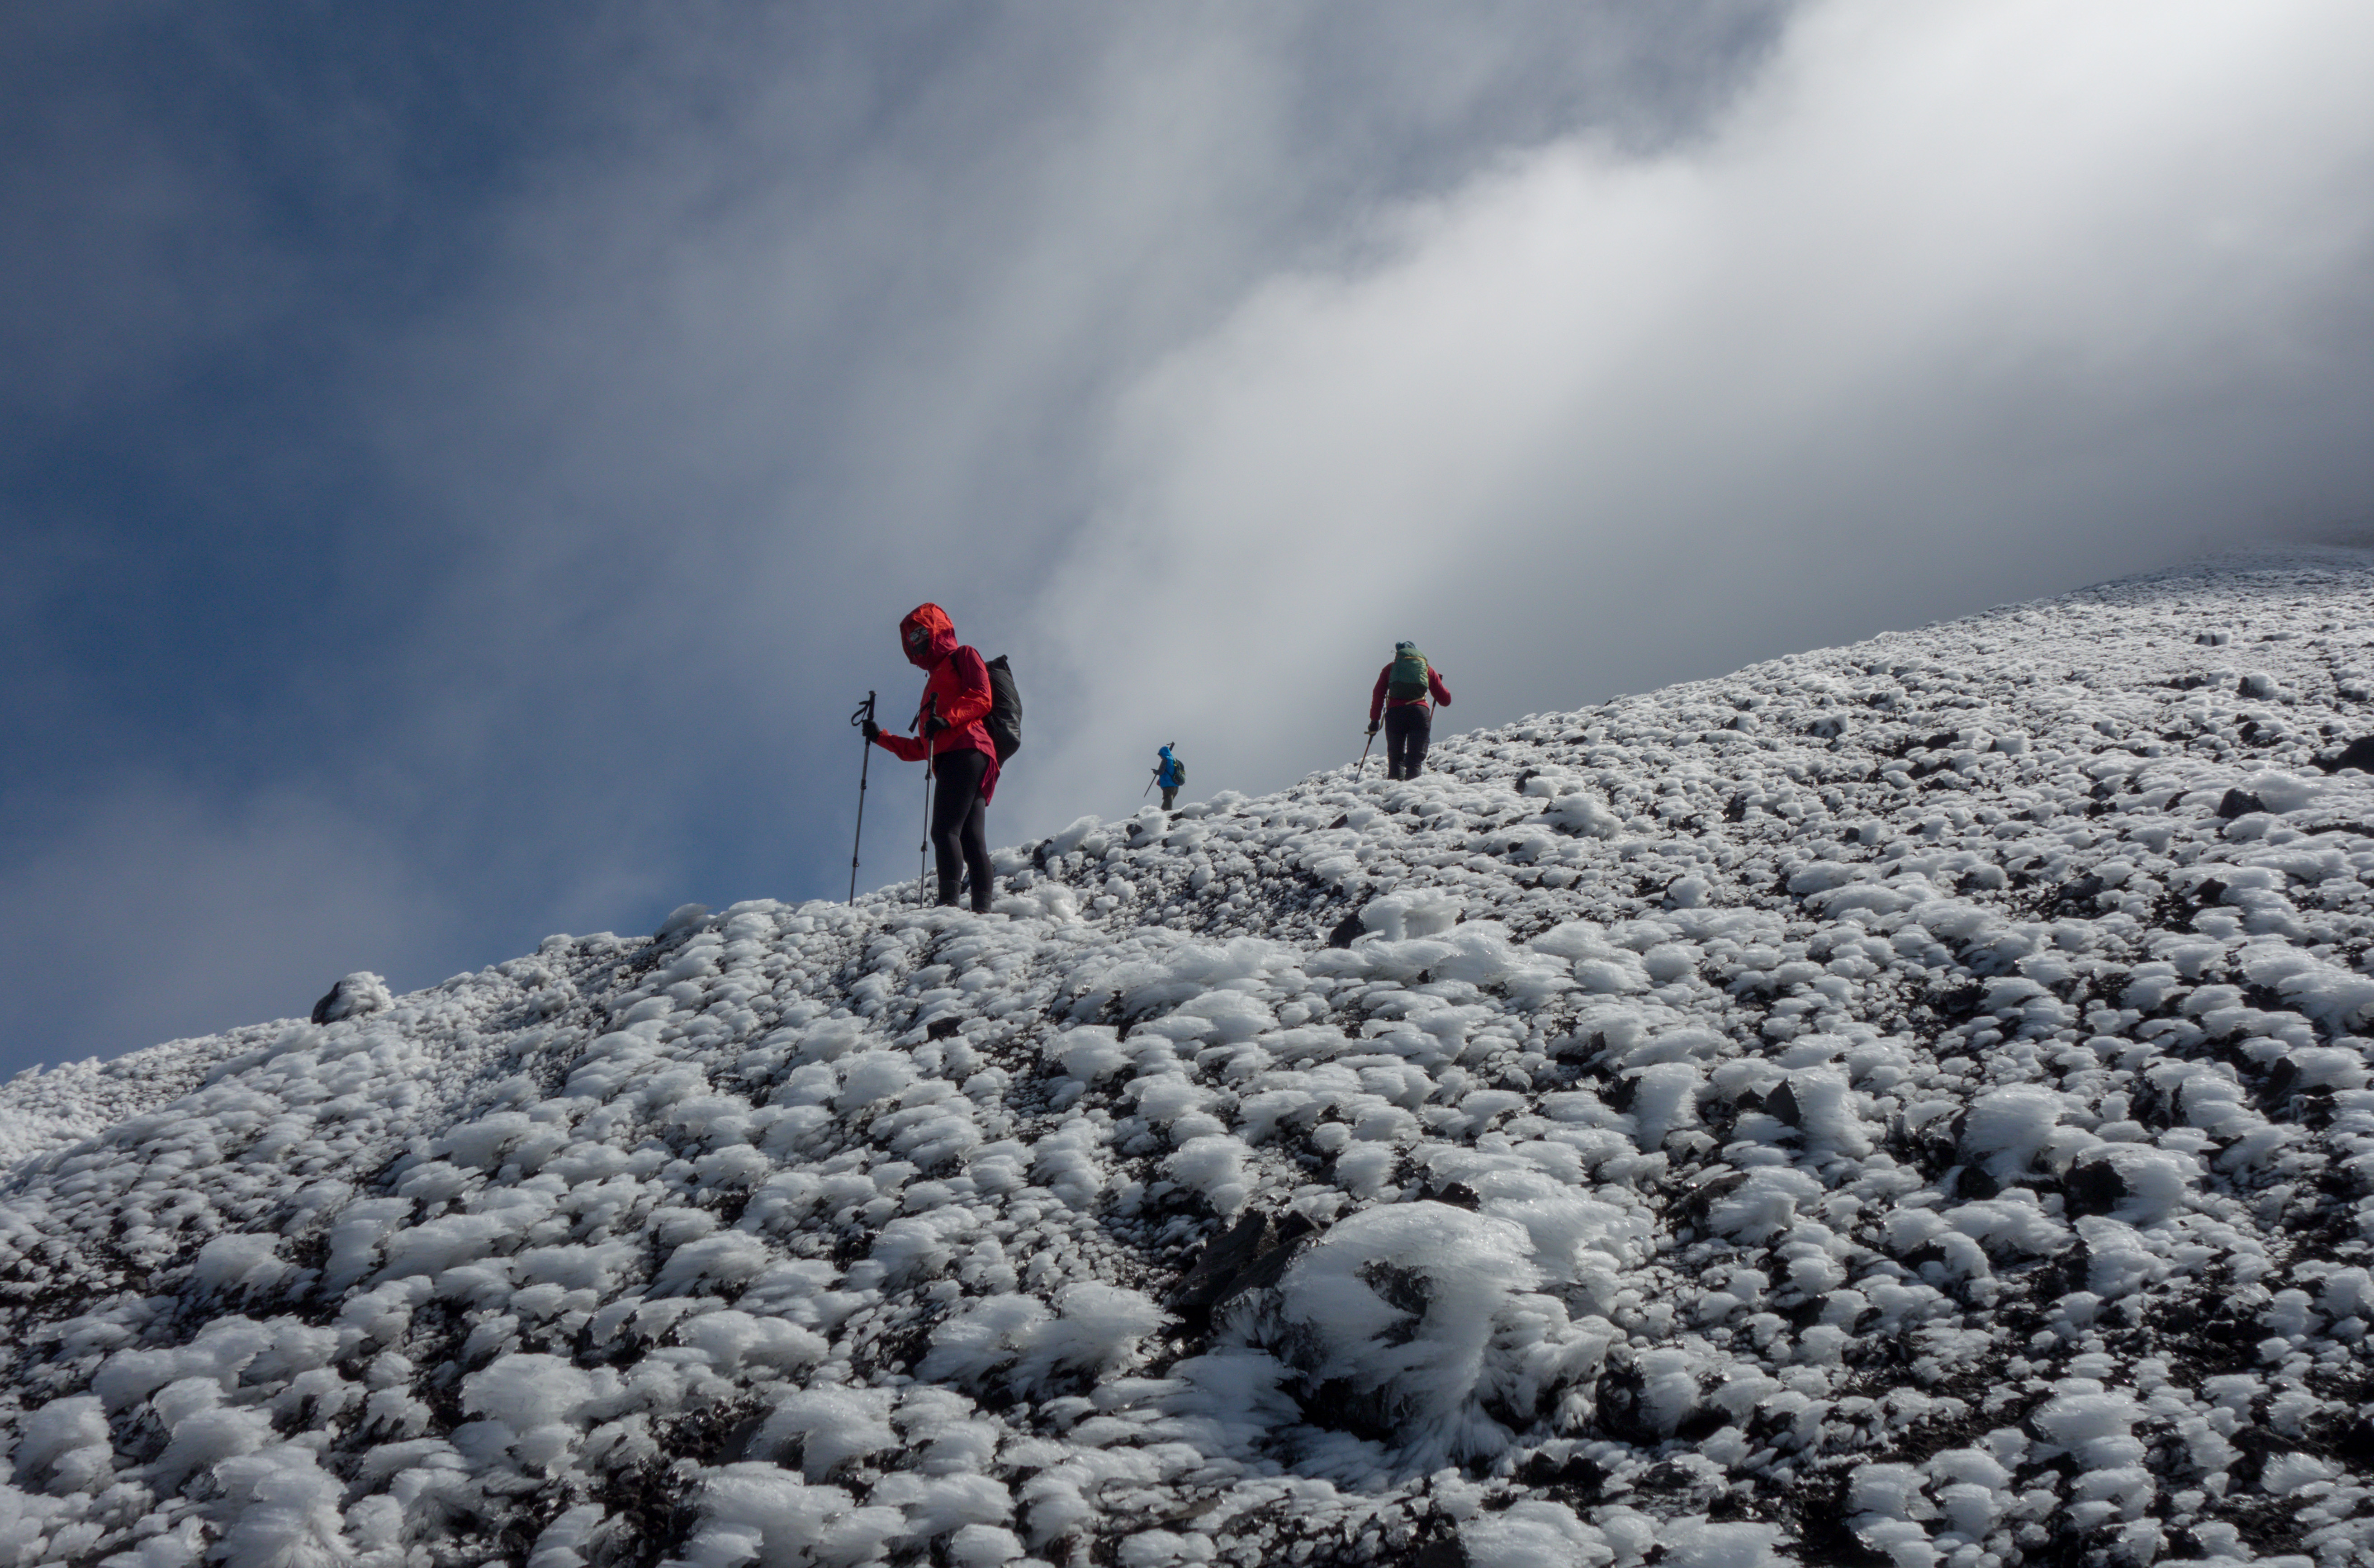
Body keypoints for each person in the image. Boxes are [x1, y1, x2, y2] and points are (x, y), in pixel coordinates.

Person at [864, 603, 999, 912]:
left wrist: (947, 720)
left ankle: (948, 905)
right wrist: (880, 737)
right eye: (912, 639)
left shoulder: (964, 655)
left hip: (965, 750)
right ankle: (982, 912)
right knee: (969, 840)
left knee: (944, 831)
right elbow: (924, 746)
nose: (917, 642)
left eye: (921, 634)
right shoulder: (935, 679)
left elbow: (982, 696)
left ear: (936, 631)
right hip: (966, 754)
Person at [1368, 641, 1452, 781]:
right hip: (1419, 713)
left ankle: (1395, 791)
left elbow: (1378, 694)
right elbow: (1446, 700)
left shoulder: (1391, 669)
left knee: (1396, 759)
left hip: (1395, 715)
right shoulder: (1427, 669)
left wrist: (1375, 721)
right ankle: (1413, 791)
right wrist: (1439, 682)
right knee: (1415, 761)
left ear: (1399, 654)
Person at [1154, 744, 1185, 809]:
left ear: (1163, 753)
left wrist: (1155, 772)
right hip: (1176, 786)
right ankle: (1161, 815)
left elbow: (1161, 772)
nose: (1161, 757)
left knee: (1168, 806)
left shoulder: (1166, 759)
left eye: (1160, 755)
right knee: (1166, 805)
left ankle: (1170, 816)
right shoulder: (1175, 760)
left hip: (1168, 786)